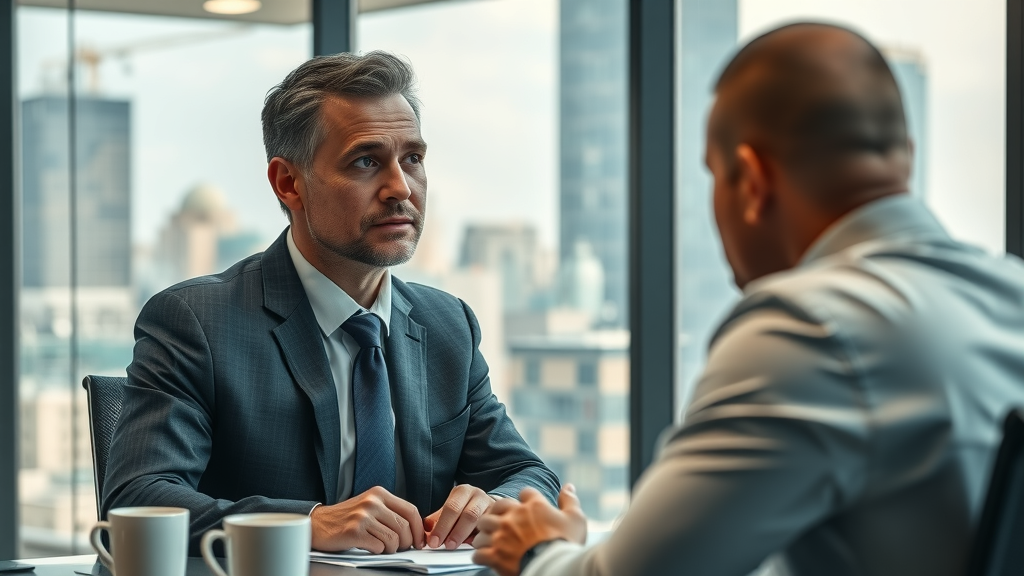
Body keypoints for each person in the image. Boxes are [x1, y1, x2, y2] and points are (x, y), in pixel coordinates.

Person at [472, 22, 1024, 576]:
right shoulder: (1012, 292)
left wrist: (541, 551)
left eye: (714, 176)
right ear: (907, 155)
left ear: (753, 181)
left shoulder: (810, 329)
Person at [103, 51, 559, 556]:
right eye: (365, 162)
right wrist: (307, 524)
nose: (400, 188)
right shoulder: (197, 322)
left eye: (412, 158)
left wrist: (495, 502)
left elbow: (529, 474)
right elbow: (137, 498)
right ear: (288, 183)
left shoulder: (447, 323)